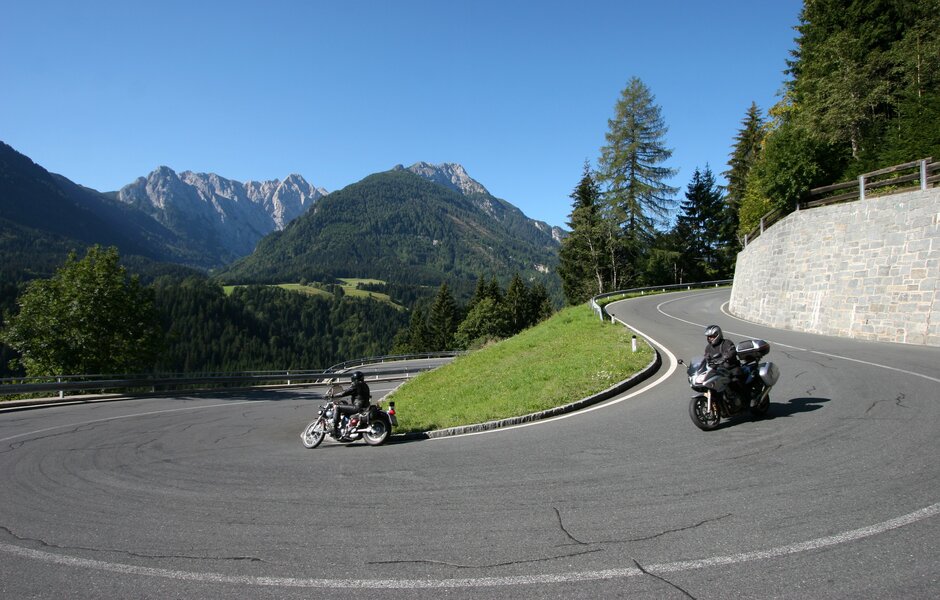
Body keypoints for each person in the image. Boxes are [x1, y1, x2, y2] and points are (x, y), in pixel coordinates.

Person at [703, 325, 745, 404]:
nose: (710, 338)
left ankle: (742, 399)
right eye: (708, 337)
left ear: (718, 335)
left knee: (735, 381)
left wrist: (725, 357)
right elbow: (706, 357)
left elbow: (732, 351)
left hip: (731, 369)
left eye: (712, 336)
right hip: (718, 371)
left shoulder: (727, 343)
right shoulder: (708, 347)